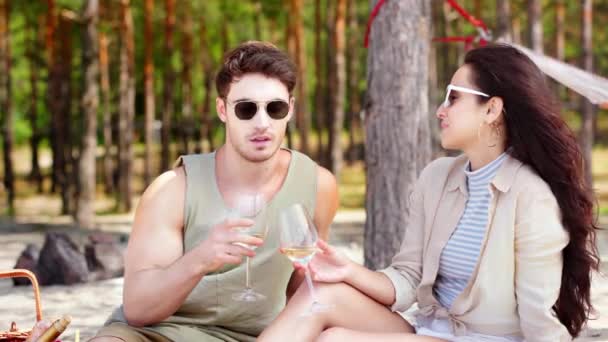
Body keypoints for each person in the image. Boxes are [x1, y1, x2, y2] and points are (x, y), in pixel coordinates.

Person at [259, 44, 599, 342]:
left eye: (453, 97)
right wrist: (347, 270)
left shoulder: (531, 197)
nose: (441, 109)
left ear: (492, 110)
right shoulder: (437, 178)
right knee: (319, 296)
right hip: (430, 330)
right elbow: (408, 278)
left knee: (335, 340)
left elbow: (537, 317)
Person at [91, 41, 339, 342]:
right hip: (156, 334)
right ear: (223, 110)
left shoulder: (318, 185)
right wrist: (201, 258)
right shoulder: (172, 189)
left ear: (290, 110)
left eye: (275, 108)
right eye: (246, 109)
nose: (262, 123)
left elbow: (301, 290)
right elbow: (138, 310)